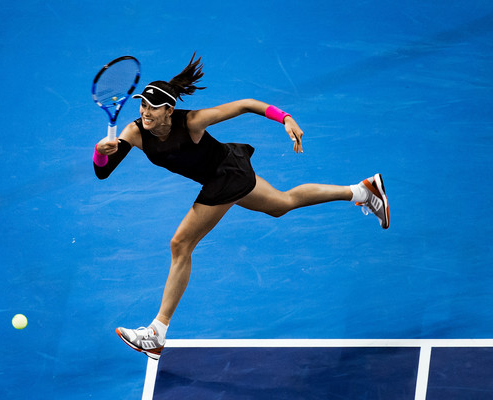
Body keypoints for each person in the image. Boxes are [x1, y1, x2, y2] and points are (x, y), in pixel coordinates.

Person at [93, 54, 390, 360]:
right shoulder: (133, 133)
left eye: (152, 108)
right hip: (224, 175)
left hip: (226, 175)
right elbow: (102, 170)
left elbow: (246, 104)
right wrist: (101, 152)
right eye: (142, 105)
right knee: (282, 203)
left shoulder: (192, 122)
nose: (145, 112)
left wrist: (285, 117)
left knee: (181, 244)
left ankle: (157, 332)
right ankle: (363, 191)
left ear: (169, 110)